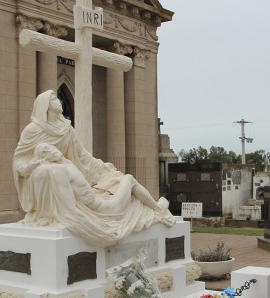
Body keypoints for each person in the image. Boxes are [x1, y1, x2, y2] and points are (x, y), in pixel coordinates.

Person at [13, 90, 175, 247]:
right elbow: (19, 160)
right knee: (128, 180)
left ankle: (156, 207)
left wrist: (105, 169)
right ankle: (158, 207)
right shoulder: (34, 132)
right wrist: (30, 166)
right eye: (54, 98)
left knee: (118, 180)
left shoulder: (66, 130)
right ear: (45, 106)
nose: (59, 101)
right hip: (94, 202)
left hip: (86, 191)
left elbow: (83, 157)